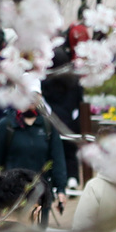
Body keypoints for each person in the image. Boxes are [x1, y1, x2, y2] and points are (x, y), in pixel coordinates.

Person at [0, 105, 69, 223]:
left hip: (39, 192)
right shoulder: (7, 125)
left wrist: (61, 189)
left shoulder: (48, 126)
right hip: (11, 192)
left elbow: (58, 159)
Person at [41, 45, 84, 188]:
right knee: (70, 152)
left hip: (52, 121)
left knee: (53, 152)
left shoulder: (46, 81)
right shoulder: (74, 81)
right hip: (70, 120)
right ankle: (73, 178)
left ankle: (55, 179)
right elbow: (80, 101)